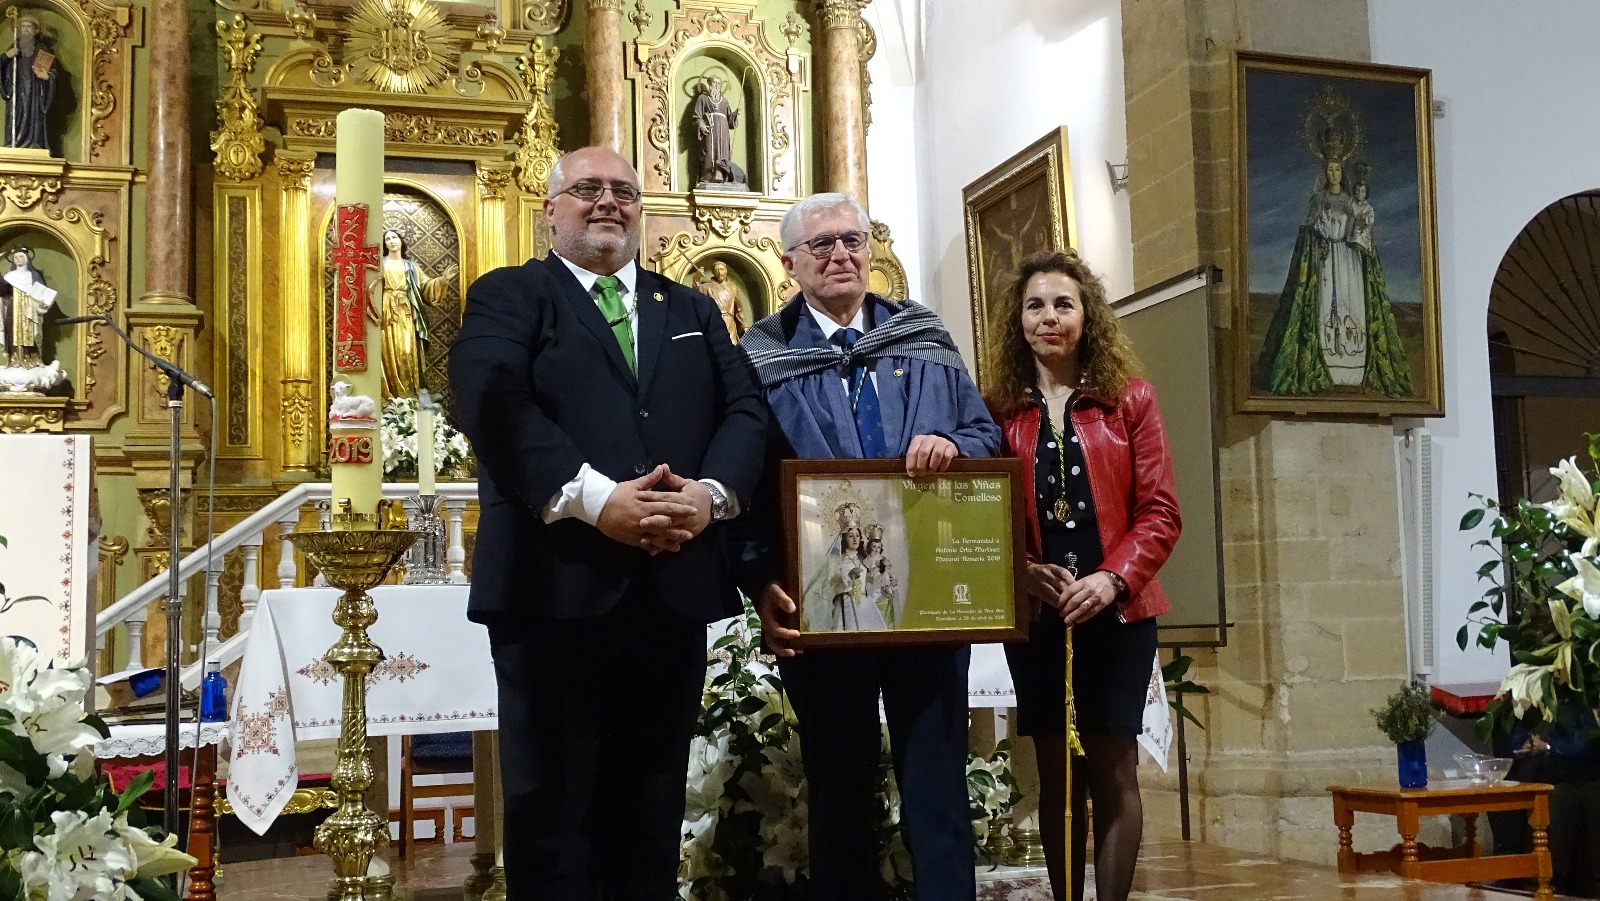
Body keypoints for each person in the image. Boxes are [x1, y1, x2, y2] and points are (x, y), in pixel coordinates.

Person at [448, 146, 766, 900]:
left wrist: (709, 494)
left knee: (652, 804)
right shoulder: (510, 293)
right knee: (551, 806)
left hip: (671, 589)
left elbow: (746, 410)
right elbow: (491, 399)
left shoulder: (688, 308)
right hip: (553, 586)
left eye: (624, 191)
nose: (607, 202)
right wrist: (597, 499)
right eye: (586, 188)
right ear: (550, 209)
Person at [734, 192, 1001, 900]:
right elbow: (745, 482)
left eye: (851, 239)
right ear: (790, 262)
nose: (841, 255)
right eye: (820, 245)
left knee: (936, 782)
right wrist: (761, 581)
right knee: (839, 784)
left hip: (926, 602)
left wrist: (951, 440)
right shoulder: (761, 357)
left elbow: (986, 437)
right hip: (824, 605)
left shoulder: (924, 338)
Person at [981, 249, 1181, 901]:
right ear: (1018, 319)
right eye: (1035, 304)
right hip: (1041, 615)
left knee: (1112, 771)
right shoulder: (998, 410)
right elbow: (982, 516)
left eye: (1063, 303)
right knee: (1057, 774)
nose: (1049, 316)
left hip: (1117, 613)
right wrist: (1024, 570)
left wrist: (1112, 577)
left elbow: (1160, 511)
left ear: (1087, 314)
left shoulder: (1131, 400)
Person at [1256, 149, 1410, 396]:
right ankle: (1328, 365)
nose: (1334, 173)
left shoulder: (1351, 200)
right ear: (1324, 173)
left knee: (1351, 305)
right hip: (1326, 259)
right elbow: (1310, 230)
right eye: (1330, 169)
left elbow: (1364, 221)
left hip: (1349, 259)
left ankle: (1352, 368)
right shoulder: (1318, 201)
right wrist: (1317, 242)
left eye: (1337, 169)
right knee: (1326, 306)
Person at [378, 228, 456, 400]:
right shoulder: (379, 264)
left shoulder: (412, 267)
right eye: (387, 239)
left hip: (406, 314)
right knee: (386, 355)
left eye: (394, 237)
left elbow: (426, 286)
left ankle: (408, 399)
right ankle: (389, 400)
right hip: (385, 314)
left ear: (401, 241)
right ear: (384, 244)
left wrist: (442, 280)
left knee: (406, 351)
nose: (391, 241)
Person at [1, 13, 57, 151]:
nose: (26, 30)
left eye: (29, 27)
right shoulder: (13, 48)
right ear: (19, 30)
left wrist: (47, 77)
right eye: (23, 27)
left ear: (35, 31)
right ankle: (14, 143)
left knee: (34, 120)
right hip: (16, 93)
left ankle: (35, 143)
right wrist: (6, 57)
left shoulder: (41, 48)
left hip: (35, 95)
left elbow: (54, 71)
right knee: (16, 118)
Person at [2, 245, 56, 368]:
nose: (18, 259)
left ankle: (33, 358)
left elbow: (42, 293)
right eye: (15, 257)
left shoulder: (34, 276)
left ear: (27, 258)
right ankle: (15, 358)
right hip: (13, 309)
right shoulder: (9, 276)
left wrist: (41, 301)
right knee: (12, 331)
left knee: (32, 332)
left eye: (21, 256)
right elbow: (2, 292)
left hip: (30, 309)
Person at [693, 73, 745, 187]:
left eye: (718, 84)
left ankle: (723, 175)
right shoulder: (703, 98)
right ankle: (707, 177)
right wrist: (701, 125)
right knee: (708, 153)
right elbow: (696, 117)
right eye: (714, 83)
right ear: (709, 84)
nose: (716, 86)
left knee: (723, 153)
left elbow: (730, 121)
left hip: (723, 133)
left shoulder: (724, 101)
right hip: (710, 132)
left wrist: (735, 115)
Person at [698, 260, 746, 342]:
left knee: (732, 345)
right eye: (717, 270)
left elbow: (738, 310)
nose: (720, 272)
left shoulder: (732, 288)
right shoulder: (705, 287)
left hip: (730, 323)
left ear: (726, 271)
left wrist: (744, 327)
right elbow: (697, 300)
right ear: (713, 272)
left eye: (722, 269)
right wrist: (696, 278)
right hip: (714, 322)